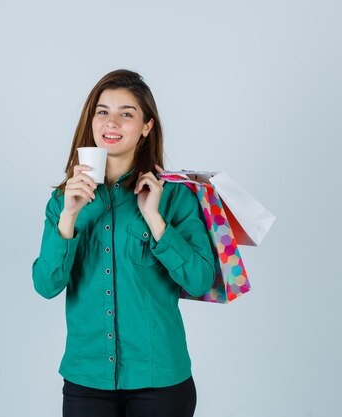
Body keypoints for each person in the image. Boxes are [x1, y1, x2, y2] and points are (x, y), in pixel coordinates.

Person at [32, 69, 215, 417]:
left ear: (146, 126)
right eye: (102, 111)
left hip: (160, 380)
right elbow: (46, 285)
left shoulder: (174, 197)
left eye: (126, 113)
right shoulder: (63, 201)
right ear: (92, 120)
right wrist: (69, 217)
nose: (111, 121)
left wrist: (155, 219)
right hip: (87, 381)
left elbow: (199, 279)